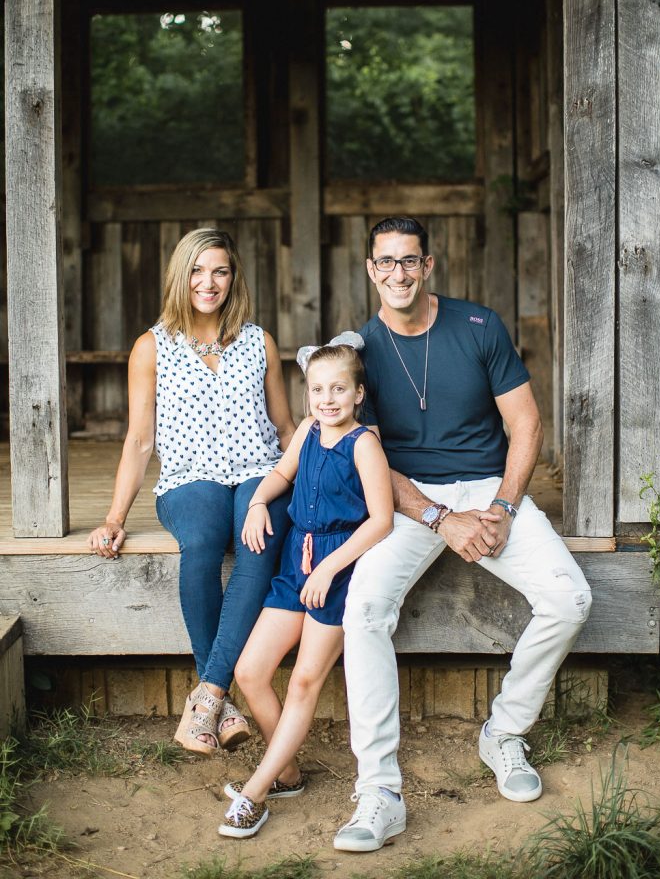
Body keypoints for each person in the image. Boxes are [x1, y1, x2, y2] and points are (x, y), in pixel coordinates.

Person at [333, 216, 593, 853]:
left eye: (409, 261)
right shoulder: (358, 351)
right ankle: (380, 791)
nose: (398, 273)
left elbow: (526, 424)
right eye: (385, 262)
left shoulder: (479, 326)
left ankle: (503, 732)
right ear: (371, 270)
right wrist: (436, 517)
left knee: (571, 600)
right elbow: (362, 450)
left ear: (428, 266)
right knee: (363, 609)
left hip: (488, 489)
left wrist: (503, 506)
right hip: (407, 501)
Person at [87, 228, 295, 756]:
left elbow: (286, 427)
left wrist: (309, 487)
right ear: (181, 276)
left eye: (220, 271)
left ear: (233, 277)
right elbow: (139, 441)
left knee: (258, 541)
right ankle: (219, 700)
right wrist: (115, 515)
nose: (209, 282)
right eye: (198, 271)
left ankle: (208, 699)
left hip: (258, 471)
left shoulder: (258, 341)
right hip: (188, 477)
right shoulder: (151, 346)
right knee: (202, 541)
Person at [217, 338, 394, 839]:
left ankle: (254, 794)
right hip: (297, 564)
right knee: (251, 672)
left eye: (339, 388)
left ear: (358, 393)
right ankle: (288, 774)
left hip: (337, 572)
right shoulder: (309, 434)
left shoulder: (364, 445)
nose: (327, 398)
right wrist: (256, 503)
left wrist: (329, 569)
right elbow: (280, 474)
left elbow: (380, 521)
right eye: (318, 389)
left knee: (303, 683)